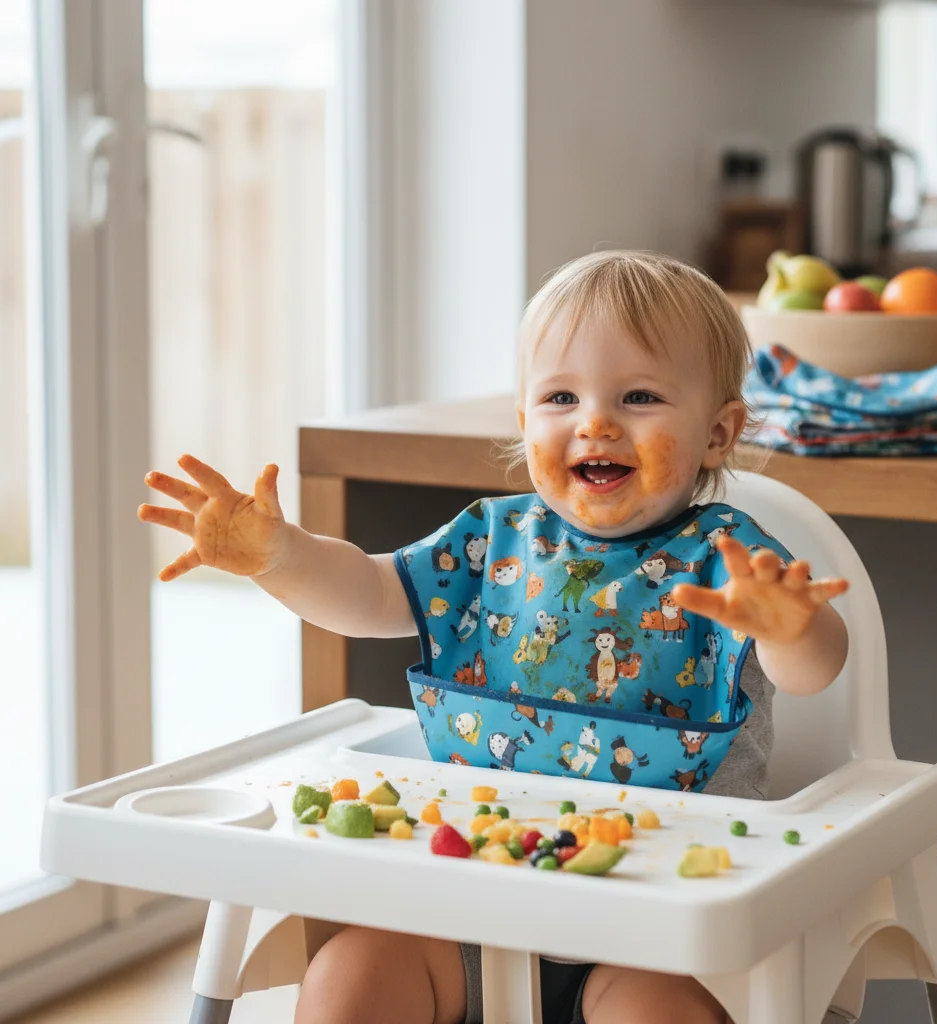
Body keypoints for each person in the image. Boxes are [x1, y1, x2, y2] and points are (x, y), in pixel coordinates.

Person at [139, 250, 849, 1024]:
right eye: (560, 396)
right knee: (350, 976)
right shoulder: (490, 541)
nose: (595, 421)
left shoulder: (732, 561)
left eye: (639, 396)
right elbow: (371, 594)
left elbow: (816, 671)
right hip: (474, 896)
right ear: (523, 421)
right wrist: (283, 558)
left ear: (718, 433)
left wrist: (795, 628)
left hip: (656, 927)